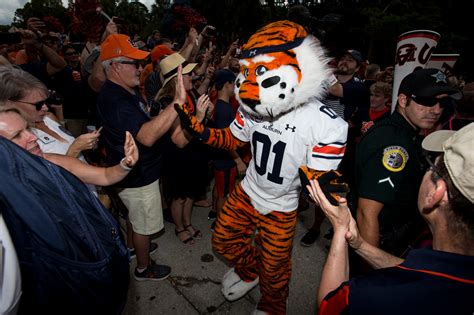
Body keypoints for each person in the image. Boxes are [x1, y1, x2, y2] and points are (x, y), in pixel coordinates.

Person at [176, 20, 348, 314]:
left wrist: (329, 188)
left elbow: (319, 179)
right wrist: (195, 126)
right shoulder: (253, 106)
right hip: (248, 191)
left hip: (281, 206)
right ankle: (250, 269)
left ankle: (272, 305)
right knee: (223, 242)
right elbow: (230, 137)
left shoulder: (325, 124)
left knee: (276, 268)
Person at [310, 122, 474, 315]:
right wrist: (360, 245)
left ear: (436, 194)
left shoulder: (380, 297)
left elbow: (329, 305)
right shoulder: (452, 271)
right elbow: (416, 271)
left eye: (431, 165)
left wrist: (340, 229)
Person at [96, 34, 188, 281]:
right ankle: (144, 268)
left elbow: (142, 125)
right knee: (144, 226)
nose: (140, 68)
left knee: (135, 219)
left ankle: (134, 248)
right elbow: (147, 137)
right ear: (115, 66)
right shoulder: (116, 100)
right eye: (134, 64)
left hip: (135, 173)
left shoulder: (124, 91)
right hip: (138, 177)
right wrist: (177, 103)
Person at [354, 68, 462, 256]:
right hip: (381, 243)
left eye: (443, 102)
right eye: (427, 101)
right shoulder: (395, 144)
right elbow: (366, 213)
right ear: (403, 100)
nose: (436, 110)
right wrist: (375, 269)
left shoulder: (405, 133)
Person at [155, 53, 210, 245]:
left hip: (192, 153)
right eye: (187, 74)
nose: (192, 76)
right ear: (175, 81)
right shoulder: (168, 104)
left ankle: (187, 223)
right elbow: (178, 141)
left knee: (190, 193)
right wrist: (199, 119)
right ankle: (179, 228)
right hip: (177, 157)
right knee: (178, 197)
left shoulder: (189, 94)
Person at [206, 69, 247, 229]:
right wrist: (238, 160)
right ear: (227, 85)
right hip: (225, 159)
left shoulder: (219, 103)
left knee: (219, 187)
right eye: (234, 84)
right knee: (225, 192)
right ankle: (221, 224)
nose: (236, 88)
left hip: (219, 158)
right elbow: (226, 140)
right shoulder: (224, 109)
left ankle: (214, 211)